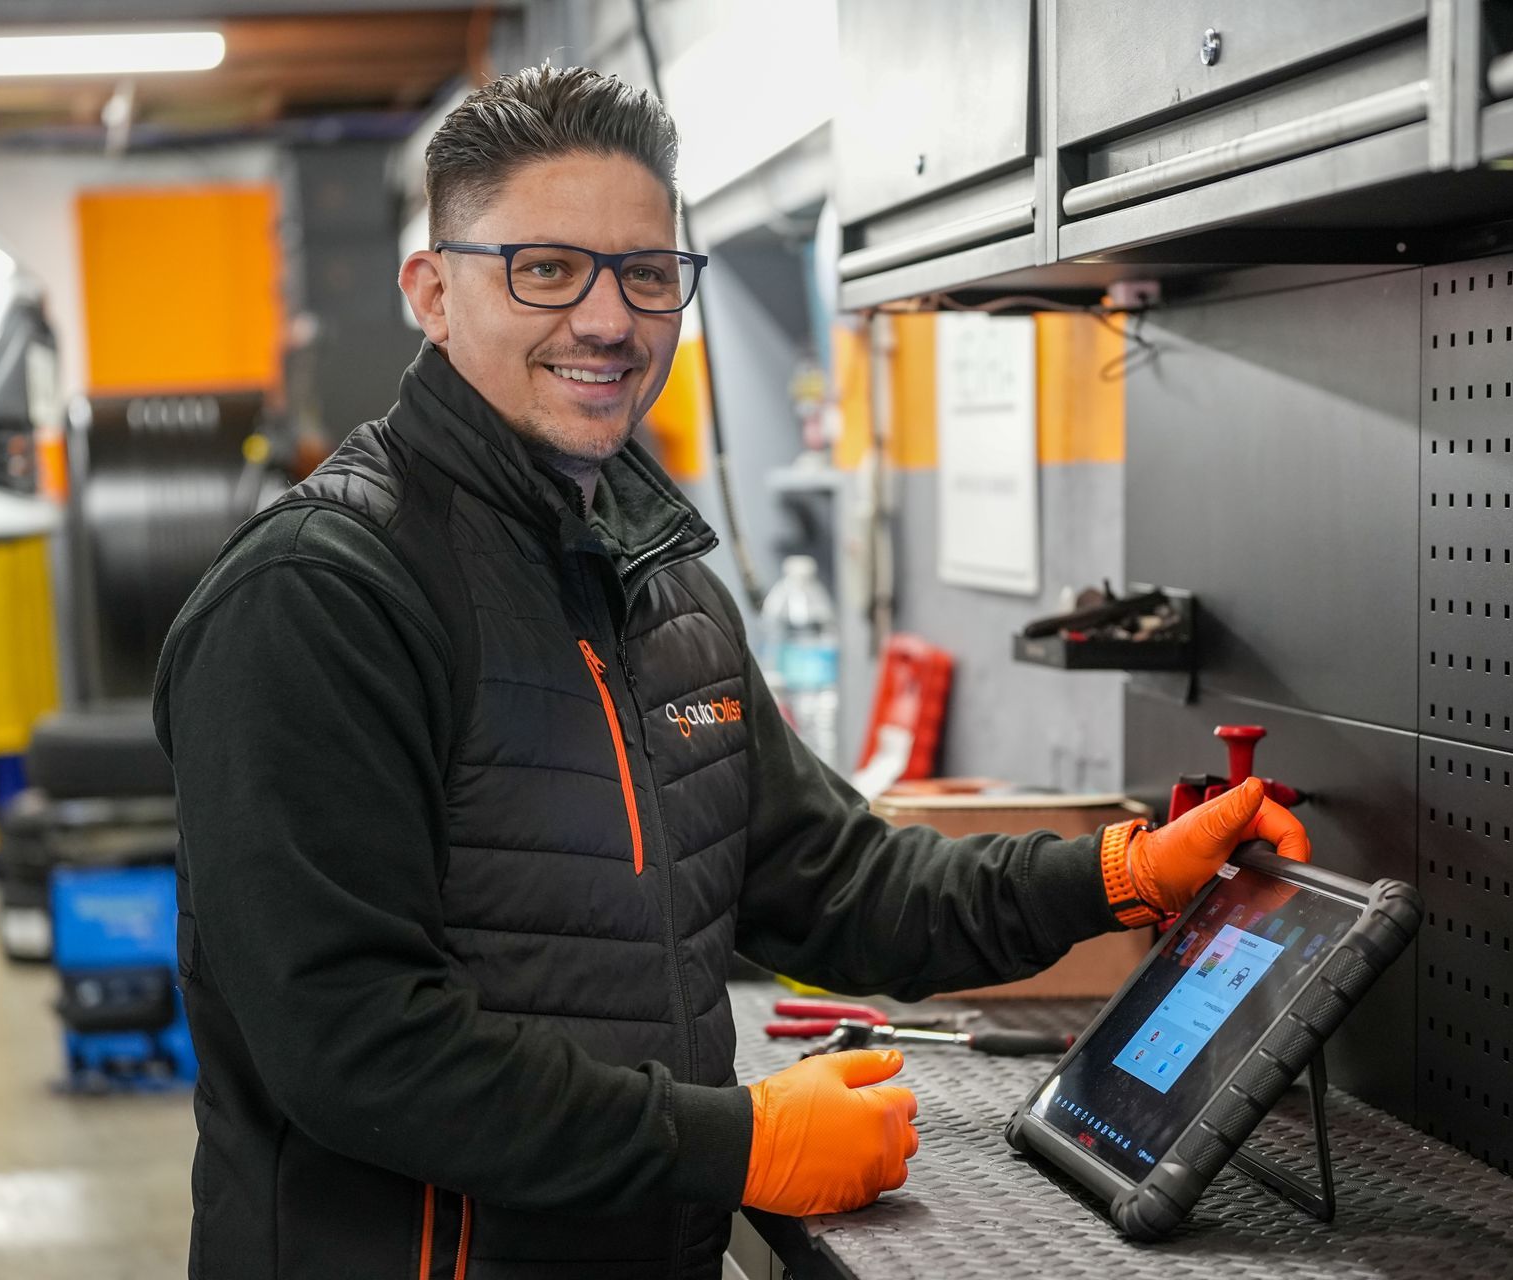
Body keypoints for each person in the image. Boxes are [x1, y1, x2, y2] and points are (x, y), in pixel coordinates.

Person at [153, 65, 1309, 1280]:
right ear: (433, 292)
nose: (608, 319)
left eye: (647, 272)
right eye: (546, 268)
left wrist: (1118, 874)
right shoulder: (323, 594)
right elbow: (352, 1044)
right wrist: (737, 1142)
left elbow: (839, 884)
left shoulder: (663, 586)